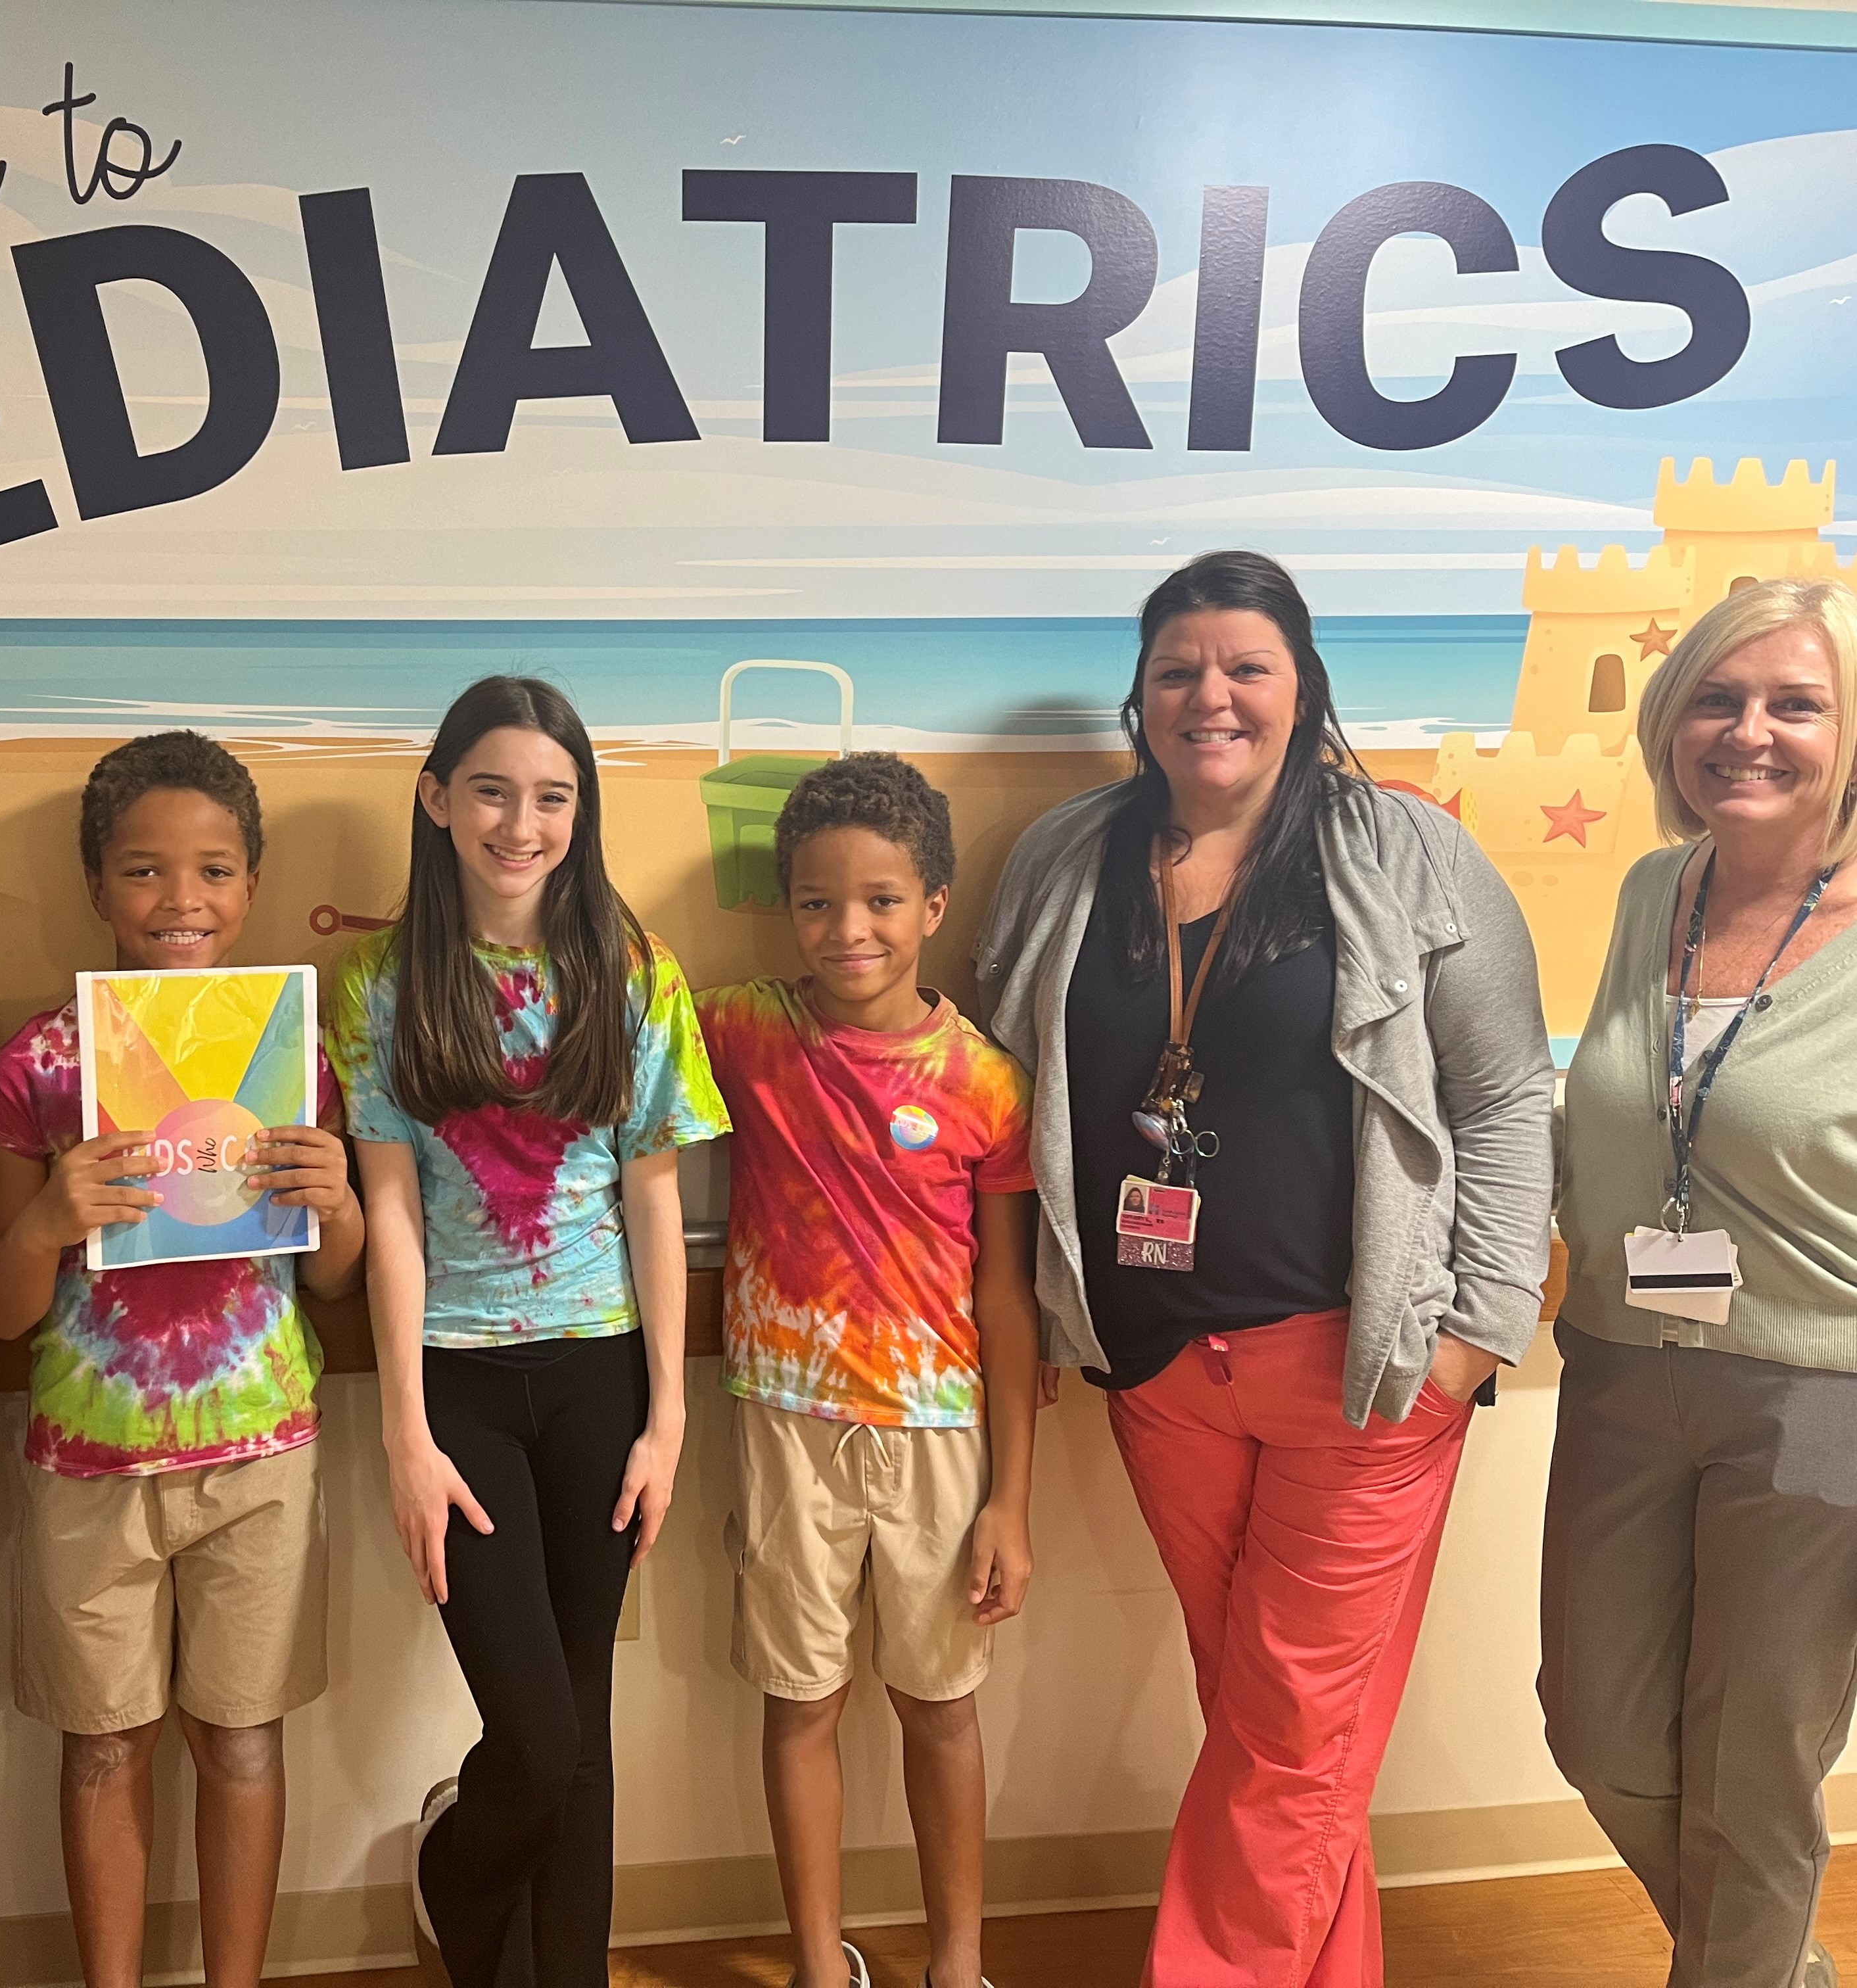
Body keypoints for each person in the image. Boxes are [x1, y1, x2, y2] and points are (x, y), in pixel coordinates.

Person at [972, 551, 1553, 1987]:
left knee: (1291, 1727)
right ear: (1142, 694)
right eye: (1179, 669)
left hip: (1364, 1371)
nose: (1210, 696)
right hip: (1161, 1370)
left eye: (1246, 667)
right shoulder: (1066, 856)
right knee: (1270, 1718)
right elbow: (998, 1078)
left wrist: (1475, 1327)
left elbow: (1499, 1094)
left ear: (1302, 690)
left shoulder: (1409, 850)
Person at [327, 676, 726, 1988]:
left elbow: (653, 1195)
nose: (522, 821)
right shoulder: (379, 982)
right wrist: (403, 1433)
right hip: (463, 1387)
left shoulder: (631, 967)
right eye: (493, 789)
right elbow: (389, 1213)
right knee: (540, 1736)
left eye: (553, 796)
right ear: (437, 800)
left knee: (587, 1735)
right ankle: (454, 1871)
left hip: (605, 1375)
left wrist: (668, 1417)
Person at [0, 731, 366, 1988]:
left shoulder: (295, 1056)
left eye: (213, 870)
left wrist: (339, 1202)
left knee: (243, 1742)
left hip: (263, 1453)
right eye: (143, 872)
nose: (180, 901)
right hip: (89, 1463)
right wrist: (44, 1219)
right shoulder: (39, 1065)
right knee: (103, 1748)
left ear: (250, 884)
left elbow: (337, 1279)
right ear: (95, 886)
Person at [1543, 577, 1857, 1988]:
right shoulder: (1650, 892)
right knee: (1595, 1726)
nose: (1751, 733)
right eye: (1718, 702)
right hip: (1620, 1361)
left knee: (1756, 1770)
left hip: (1820, 1394)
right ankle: (1767, 1968)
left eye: (1797, 704)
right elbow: (1623, 1111)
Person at [695, 754, 1038, 1988]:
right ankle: (815, 1965)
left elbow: (1007, 1296)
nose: (850, 930)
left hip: (941, 1435)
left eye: (883, 900)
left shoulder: (986, 1082)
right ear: (786, 908)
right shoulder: (740, 1029)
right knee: (802, 1702)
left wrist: (1010, 1497)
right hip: (786, 1425)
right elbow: (614, 1014)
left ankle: (957, 1961)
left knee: (941, 1708)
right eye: (818, 902)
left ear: (934, 905)